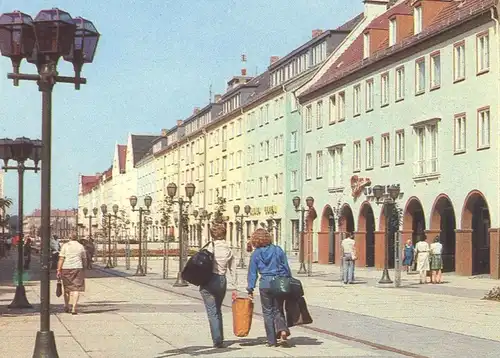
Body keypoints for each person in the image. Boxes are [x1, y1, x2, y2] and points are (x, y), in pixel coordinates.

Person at [247, 228, 291, 347]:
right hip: (278, 281)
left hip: (265, 283)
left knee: (267, 312)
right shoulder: (277, 250)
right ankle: (282, 330)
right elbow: (286, 267)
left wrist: (250, 289)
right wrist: (287, 279)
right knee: (278, 309)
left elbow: (252, 273)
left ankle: (271, 340)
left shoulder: (256, 254)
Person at [200, 221, 237, 348]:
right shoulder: (228, 249)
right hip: (222, 280)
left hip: (209, 280)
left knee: (212, 311)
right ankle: (220, 337)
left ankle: (217, 340)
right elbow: (233, 268)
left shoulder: (209, 247)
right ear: (225, 234)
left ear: (212, 235)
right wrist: (235, 285)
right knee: (218, 308)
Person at [56, 236, 87, 314]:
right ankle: (74, 308)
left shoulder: (65, 246)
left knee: (67, 288)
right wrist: (84, 267)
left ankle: (67, 305)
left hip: (66, 268)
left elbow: (61, 258)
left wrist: (58, 269)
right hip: (78, 268)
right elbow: (84, 259)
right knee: (77, 288)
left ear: (69, 238)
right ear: (77, 238)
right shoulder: (81, 246)